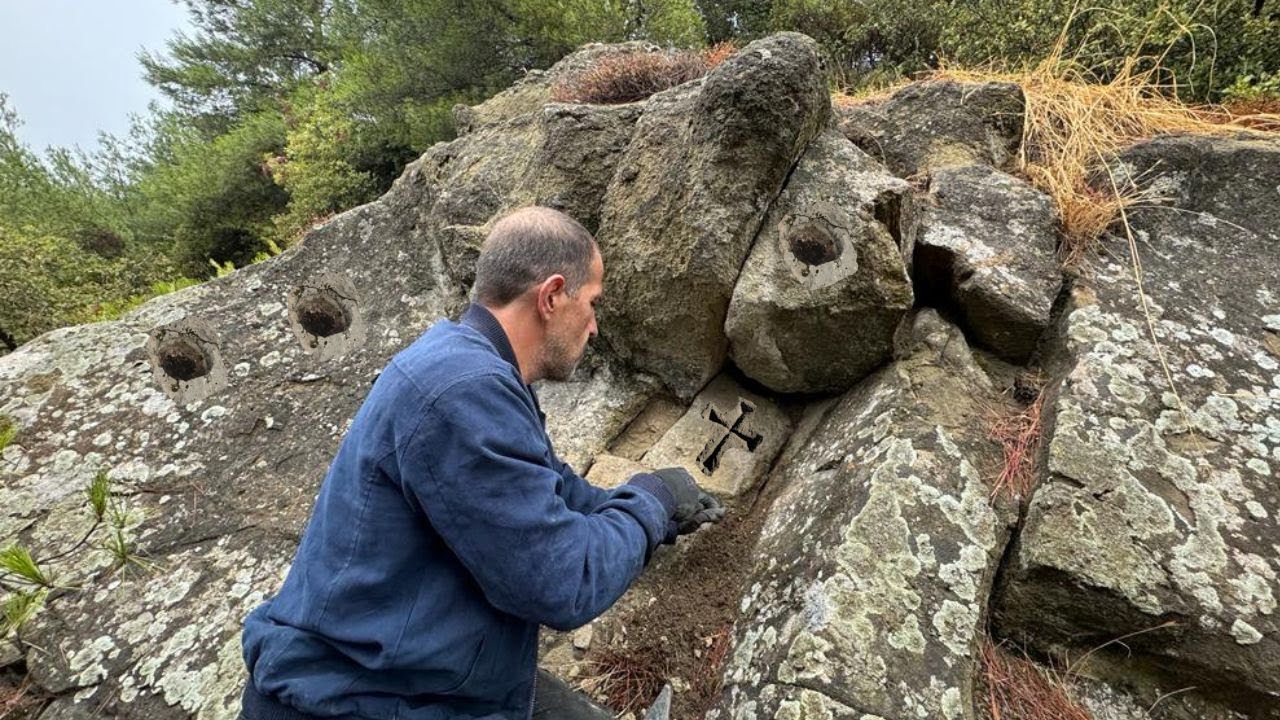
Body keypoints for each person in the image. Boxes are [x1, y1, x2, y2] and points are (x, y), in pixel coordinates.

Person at [240, 206, 725, 720]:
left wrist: (658, 509)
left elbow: (551, 492)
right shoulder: (463, 392)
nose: (595, 327)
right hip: (352, 700)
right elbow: (563, 583)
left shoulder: (464, 362)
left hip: (411, 674)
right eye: (592, 303)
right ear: (553, 296)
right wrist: (651, 503)